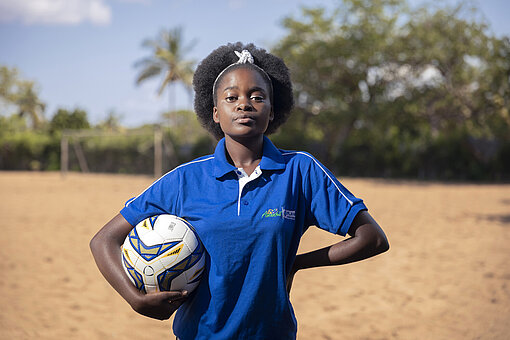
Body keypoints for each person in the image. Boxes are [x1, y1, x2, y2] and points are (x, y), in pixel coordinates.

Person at [90, 42, 389, 340]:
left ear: (272, 111)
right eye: (231, 97)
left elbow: (372, 238)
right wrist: (135, 299)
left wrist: (296, 263)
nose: (244, 104)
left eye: (257, 97)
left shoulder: (301, 170)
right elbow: (104, 240)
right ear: (216, 113)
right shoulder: (184, 180)